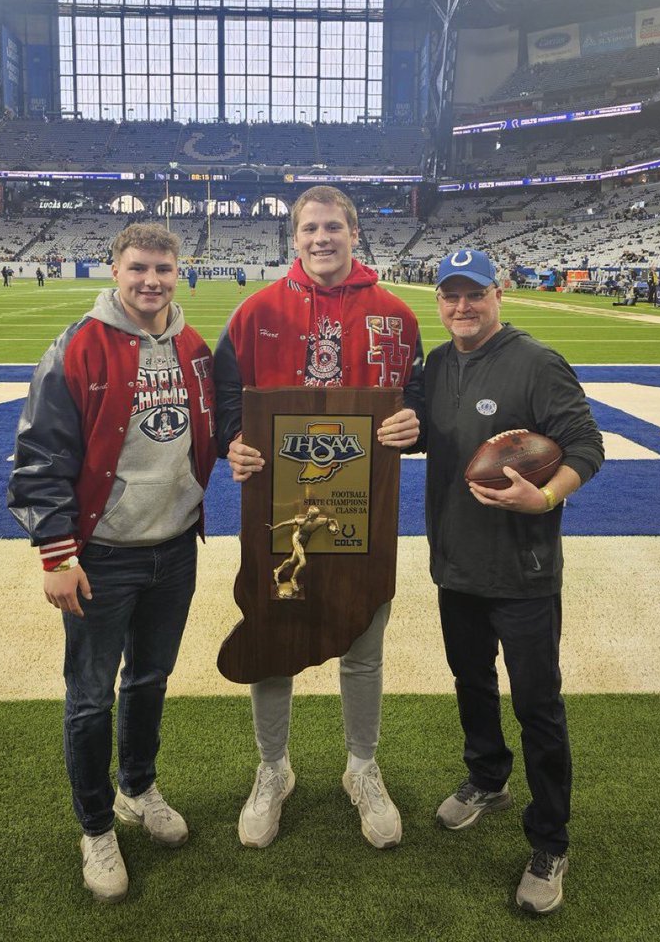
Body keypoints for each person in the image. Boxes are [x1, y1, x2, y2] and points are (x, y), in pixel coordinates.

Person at [7, 223, 217, 904]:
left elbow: (216, 428)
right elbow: (40, 456)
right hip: (102, 553)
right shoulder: (78, 345)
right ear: (114, 269)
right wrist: (57, 552)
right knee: (91, 696)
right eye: (138, 268)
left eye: (163, 268)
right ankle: (95, 825)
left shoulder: (194, 347)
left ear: (179, 272)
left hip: (175, 546)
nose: (151, 280)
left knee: (150, 679)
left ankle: (137, 788)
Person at [214, 184, 423, 852]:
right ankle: (273, 767)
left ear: (354, 233)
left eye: (333, 227)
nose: (321, 238)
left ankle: (362, 765)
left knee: (363, 645)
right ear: (295, 236)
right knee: (272, 637)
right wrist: (232, 441)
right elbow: (224, 397)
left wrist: (415, 424)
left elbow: (418, 400)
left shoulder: (396, 314)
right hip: (277, 509)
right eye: (309, 228)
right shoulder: (255, 312)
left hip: (364, 510)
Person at [420, 249, 604, 916]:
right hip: (456, 563)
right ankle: (487, 777)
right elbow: (419, 436)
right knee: (471, 681)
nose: (462, 306)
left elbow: (587, 446)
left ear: (498, 293)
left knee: (537, 705)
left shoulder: (536, 362)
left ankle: (550, 840)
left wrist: (545, 497)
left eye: (474, 293)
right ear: (439, 302)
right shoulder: (436, 365)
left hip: (523, 570)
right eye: (451, 295)